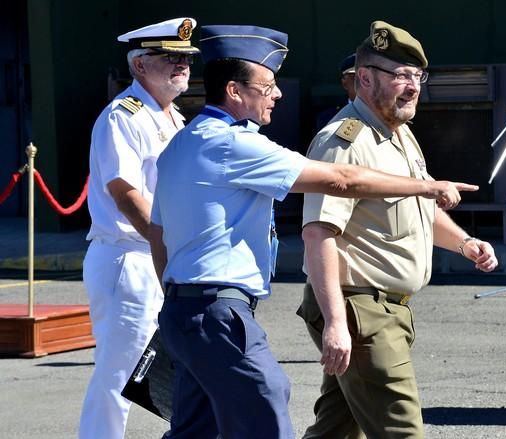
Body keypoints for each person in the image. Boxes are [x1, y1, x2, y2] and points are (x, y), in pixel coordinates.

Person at [149, 24, 477, 439]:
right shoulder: (234, 144)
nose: (278, 94)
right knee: (267, 400)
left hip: (186, 308)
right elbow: (342, 180)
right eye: (268, 86)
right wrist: (427, 187)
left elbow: (157, 231)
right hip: (218, 310)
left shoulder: (183, 141)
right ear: (235, 91)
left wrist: (175, 298)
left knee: (197, 430)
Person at [297, 20, 499, 439]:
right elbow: (319, 233)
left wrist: (464, 243)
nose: (412, 87)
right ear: (365, 79)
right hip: (361, 311)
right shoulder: (344, 141)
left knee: (336, 430)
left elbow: (421, 210)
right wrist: (337, 322)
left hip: (386, 310)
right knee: (402, 431)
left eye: (417, 76)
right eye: (400, 76)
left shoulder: (400, 133)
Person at [79, 17, 199, 439]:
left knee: (170, 367)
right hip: (129, 257)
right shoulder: (123, 116)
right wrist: (167, 248)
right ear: (139, 65)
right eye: (169, 57)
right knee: (119, 375)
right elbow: (125, 193)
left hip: (160, 255)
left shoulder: (173, 117)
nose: (180, 65)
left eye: (184, 57)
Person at [315, 53, 357, 131]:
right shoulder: (329, 118)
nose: (363, 83)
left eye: (367, 77)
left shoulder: (383, 115)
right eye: (356, 78)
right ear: (344, 83)